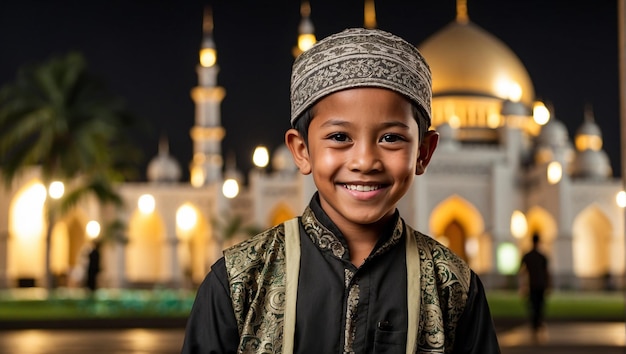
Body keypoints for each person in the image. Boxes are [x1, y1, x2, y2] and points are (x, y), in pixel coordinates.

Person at [182, 28, 500, 353]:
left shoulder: (454, 287)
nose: (364, 161)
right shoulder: (239, 282)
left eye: (391, 138)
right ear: (301, 150)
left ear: (423, 152)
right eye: (339, 137)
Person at [519, 233, 550, 341]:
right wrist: (548, 284)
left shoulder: (528, 256)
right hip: (540, 284)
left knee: (533, 304)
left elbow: (522, 271)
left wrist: (522, 285)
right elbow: (546, 272)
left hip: (532, 284)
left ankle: (534, 323)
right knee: (540, 304)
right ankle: (538, 322)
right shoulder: (542, 256)